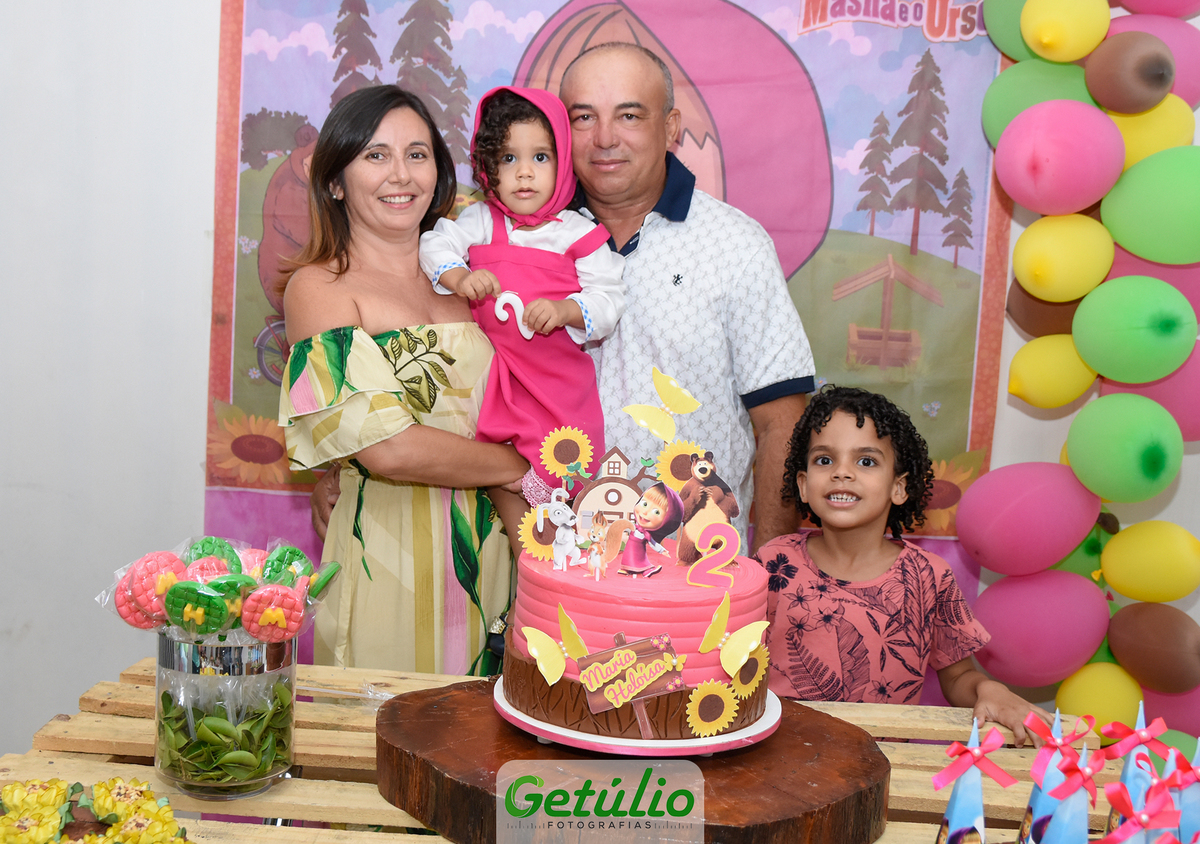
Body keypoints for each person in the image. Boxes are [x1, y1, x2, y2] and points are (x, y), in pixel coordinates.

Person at [313, 42, 816, 556]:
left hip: (693, 567)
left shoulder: (735, 245)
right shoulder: (495, 233)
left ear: (670, 128)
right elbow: (430, 373)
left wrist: (772, 567)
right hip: (537, 558)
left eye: (629, 115)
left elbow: (781, 421)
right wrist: (348, 463)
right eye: (583, 118)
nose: (604, 138)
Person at [277, 85, 527, 674]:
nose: (401, 174)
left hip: (507, 555)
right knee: (392, 727)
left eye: (417, 154)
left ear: (438, 174)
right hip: (388, 567)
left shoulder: (479, 278)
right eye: (375, 155)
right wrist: (521, 470)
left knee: (499, 727)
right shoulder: (319, 289)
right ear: (336, 181)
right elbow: (386, 448)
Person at [756, 385, 1052, 745]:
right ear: (803, 485)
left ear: (899, 488)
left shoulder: (929, 576)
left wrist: (989, 690)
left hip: (883, 764)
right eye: (824, 460)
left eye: (866, 461)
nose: (842, 472)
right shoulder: (772, 563)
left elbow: (958, 678)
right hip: (782, 759)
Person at [418, 86, 625, 511]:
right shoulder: (482, 220)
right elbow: (433, 244)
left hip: (556, 384)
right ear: (487, 167)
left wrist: (566, 310)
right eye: (508, 159)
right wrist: (460, 278)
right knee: (498, 477)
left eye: (541, 157)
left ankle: (555, 533)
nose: (524, 173)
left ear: (564, 162)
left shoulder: (579, 234)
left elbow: (608, 300)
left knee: (563, 473)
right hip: (494, 378)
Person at [617, 481, 684, 577]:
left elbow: (653, 543)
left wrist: (662, 551)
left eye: (656, 512)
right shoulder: (633, 526)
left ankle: (646, 571)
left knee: (640, 561)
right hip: (629, 551)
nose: (645, 512)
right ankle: (625, 568)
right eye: (644, 504)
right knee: (629, 557)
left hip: (639, 553)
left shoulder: (646, 534)